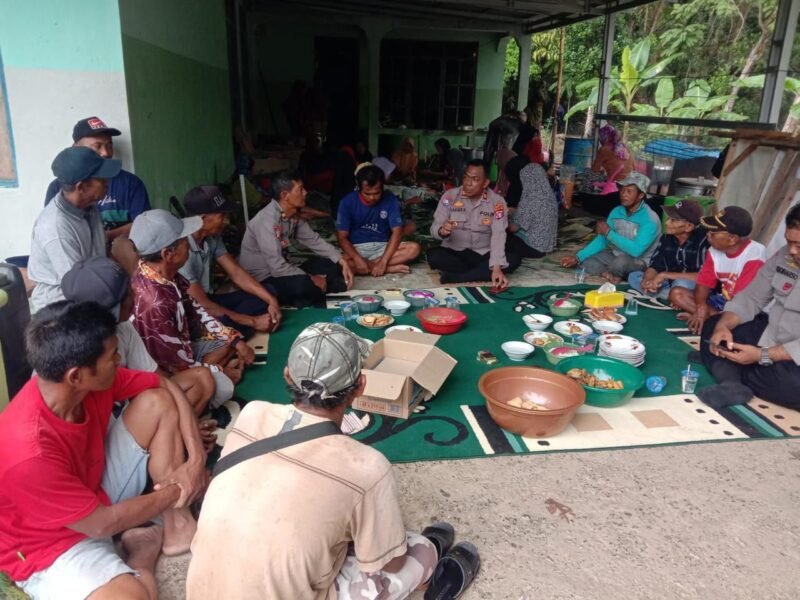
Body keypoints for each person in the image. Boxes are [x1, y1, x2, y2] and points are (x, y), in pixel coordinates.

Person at [186, 322, 480, 599]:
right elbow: (390, 565)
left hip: (203, 591)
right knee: (420, 550)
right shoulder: (367, 465)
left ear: (287, 375)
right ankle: (434, 579)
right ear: (361, 386)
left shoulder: (252, 414)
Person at [0, 301, 207, 600]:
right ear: (76, 376)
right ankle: (141, 553)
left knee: (156, 401)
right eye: (113, 356)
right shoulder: (28, 453)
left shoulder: (87, 385)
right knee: (134, 596)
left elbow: (164, 385)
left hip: (92, 491)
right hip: (47, 545)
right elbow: (100, 524)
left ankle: (176, 524)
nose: (120, 359)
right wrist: (178, 489)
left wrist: (196, 460)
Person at [61, 257, 225, 448]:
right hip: (108, 432)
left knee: (203, 378)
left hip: (136, 406)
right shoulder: (78, 352)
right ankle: (165, 446)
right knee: (159, 402)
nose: (135, 296)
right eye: (129, 294)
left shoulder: (123, 327)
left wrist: (189, 426)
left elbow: (156, 377)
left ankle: (175, 437)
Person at [129, 209, 254, 387]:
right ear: (167, 254)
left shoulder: (163, 273)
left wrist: (237, 342)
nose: (188, 243)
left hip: (184, 346)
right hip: (166, 373)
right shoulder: (154, 303)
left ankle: (213, 376)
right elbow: (173, 365)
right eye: (183, 240)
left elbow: (198, 310)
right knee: (219, 387)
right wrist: (220, 372)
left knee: (228, 343)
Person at [698, 203, 800, 410]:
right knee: (713, 326)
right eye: (790, 242)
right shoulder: (785, 256)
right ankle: (732, 383)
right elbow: (752, 298)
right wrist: (724, 326)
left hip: (792, 355)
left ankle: (722, 363)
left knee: (792, 385)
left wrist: (762, 356)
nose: (791, 251)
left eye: (799, 245)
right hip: (771, 336)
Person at [239, 171, 354, 308]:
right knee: (302, 285)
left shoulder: (292, 215)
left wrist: (341, 260)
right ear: (285, 196)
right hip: (264, 279)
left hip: (285, 270)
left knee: (329, 265)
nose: (305, 193)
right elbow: (277, 268)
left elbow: (313, 240)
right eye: (300, 189)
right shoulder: (267, 220)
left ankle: (313, 292)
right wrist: (311, 278)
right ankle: (312, 292)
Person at [180, 185, 282, 340]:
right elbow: (202, 305)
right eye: (221, 215)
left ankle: (231, 334)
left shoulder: (212, 236)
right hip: (189, 310)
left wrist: (271, 300)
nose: (226, 221)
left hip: (208, 300)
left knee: (268, 292)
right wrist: (252, 321)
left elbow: (236, 273)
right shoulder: (180, 248)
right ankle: (229, 335)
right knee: (221, 320)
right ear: (203, 219)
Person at [28, 146, 121, 311]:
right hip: (61, 307)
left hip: (93, 287)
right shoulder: (56, 227)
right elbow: (79, 288)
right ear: (81, 187)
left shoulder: (88, 206)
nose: (108, 182)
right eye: (101, 179)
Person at [44, 117, 151, 242]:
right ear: (76, 148)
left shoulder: (131, 183)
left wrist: (105, 238)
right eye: (97, 146)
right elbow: (56, 229)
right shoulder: (60, 188)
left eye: (109, 146)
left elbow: (144, 225)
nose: (106, 152)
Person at [670, 206, 765, 334]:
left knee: (742, 322)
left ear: (732, 239)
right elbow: (704, 283)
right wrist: (701, 308)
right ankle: (710, 319)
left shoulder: (755, 253)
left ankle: (714, 322)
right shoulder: (714, 250)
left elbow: (742, 299)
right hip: (720, 301)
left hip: (743, 306)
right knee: (677, 293)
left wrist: (705, 313)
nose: (708, 235)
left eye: (713, 233)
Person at [428, 160, 521, 286]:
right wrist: (441, 231)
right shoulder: (450, 197)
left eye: (475, 179)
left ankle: (454, 276)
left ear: (485, 183)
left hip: (483, 253)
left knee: (514, 260)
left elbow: (498, 234)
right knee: (434, 256)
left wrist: (497, 267)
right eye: (466, 177)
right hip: (456, 251)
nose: (467, 183)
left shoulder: (497, 202)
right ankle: (480, 272)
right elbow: (435, 226)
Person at [561, 173, 661, 283]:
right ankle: (608, 274)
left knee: (619, 263)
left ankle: (615, 273)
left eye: (629, 191)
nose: (624, 195)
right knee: (586, 260)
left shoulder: (650, 219)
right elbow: (602, 240)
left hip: (640, 260)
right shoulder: (616, 212)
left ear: (641, 195)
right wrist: (577, 258)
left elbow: (636, 251)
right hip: (616, 255)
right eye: (622, 190)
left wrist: (608, 233)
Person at [336, 165, 421, 276]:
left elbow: (397, 231)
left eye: (376, 193)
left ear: (382, 187)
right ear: (358, 188)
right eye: (367, 194)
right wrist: (357, 258)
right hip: (357, 248)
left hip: (384, 247)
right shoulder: (347, 202)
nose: (372, 198)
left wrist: (384, 261)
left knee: (414, 249)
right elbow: (341, 237)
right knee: (339, 263)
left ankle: (374, 267)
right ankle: (388, 269)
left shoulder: (390, 199)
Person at [627, 199, 710, 299]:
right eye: (668, 218)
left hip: (690, 285)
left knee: (681, 283)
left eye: (673, 220)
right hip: (668, 283)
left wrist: (664, 275)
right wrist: (648, 280)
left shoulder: (704, 241)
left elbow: (704, 277)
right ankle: (670, 296)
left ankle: (670, 296)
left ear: (688, 226)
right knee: (634, 276)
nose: (667, 223)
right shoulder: (666, 238)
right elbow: (655, 266)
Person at [506, 161, 558, 259]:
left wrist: (502, 219)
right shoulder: (550, 194)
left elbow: (513, 228)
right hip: (545, 246)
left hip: (532, 248)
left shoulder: (530, 197)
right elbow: (531, 213)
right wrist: (512, 211)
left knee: (499, 237)